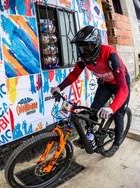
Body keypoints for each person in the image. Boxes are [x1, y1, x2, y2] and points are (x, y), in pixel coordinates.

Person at [51, 25, 130, 157]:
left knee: (118, 113)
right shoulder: (84, 59)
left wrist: (111, 108)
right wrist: (60, 87)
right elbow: (73, 75)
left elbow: (123, 88)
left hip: (120, 84)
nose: (84, 51)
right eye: (81, 48)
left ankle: (116, 143)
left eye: (87, 47)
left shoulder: (109, 54)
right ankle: (90, 136)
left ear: (96, 45)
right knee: (93, 109)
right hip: (105, 84)